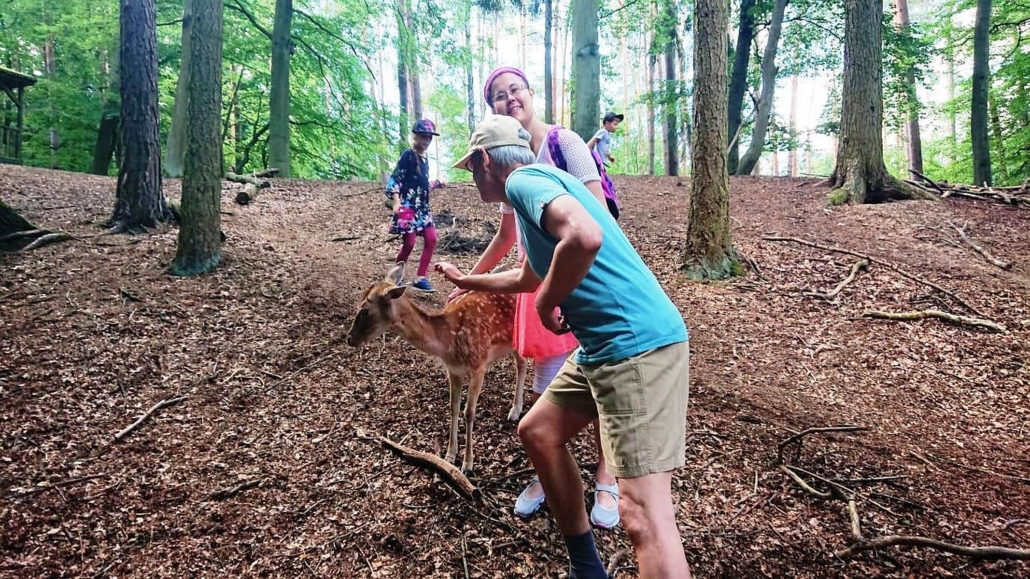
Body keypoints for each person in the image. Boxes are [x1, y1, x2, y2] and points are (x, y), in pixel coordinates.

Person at [441, 115, 692, 579]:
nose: (471, 178)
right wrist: (468, 281)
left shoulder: (524, 181)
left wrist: (546, 302)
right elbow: (527, 277)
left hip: (635, 347)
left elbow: (585, 237)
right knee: (538, 432)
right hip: (601, 347)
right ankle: (587, 570)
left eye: (471, 168)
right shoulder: (536, 195)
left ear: (485, 159)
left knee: (643, 515)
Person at [451, 66, 618, 528]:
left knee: (599, 380)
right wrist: (469, 278)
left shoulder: (564, 144)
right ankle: (547, 471)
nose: (509, 100)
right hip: (538, 279)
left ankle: (606, 476)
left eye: (515, 90)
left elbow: (599, 220)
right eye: (498, 96)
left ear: (530, 93)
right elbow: (508, 236)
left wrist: (561, 287)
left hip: (582, 279)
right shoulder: (509, 166)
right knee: (547, 384)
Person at [386, 119, 443, 292]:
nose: (427, 140)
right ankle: (394, 278)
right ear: (415, 136)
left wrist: (437, 183)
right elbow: (395, 178)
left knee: (432, 239)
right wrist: (396, 202)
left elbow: (421, 185)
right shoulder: (408, 156)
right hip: (407, 207)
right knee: (409, 243)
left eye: (429, 137)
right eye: (423, 136)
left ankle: (420, 278)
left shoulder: (425, 159)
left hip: (422, 209)